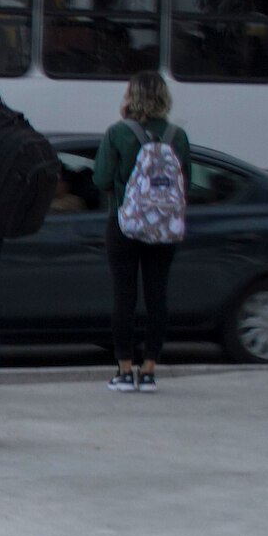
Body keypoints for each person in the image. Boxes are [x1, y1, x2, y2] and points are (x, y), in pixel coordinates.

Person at [93, 70, 192, 393]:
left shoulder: (118, 133)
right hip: (164, 226)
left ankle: (124, 371)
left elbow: (101, 178)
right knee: (157, 296)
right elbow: (186, 184)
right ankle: (149, 370)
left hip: (124, 223)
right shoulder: (177, 136)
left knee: (124, 296)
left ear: (130, 96)